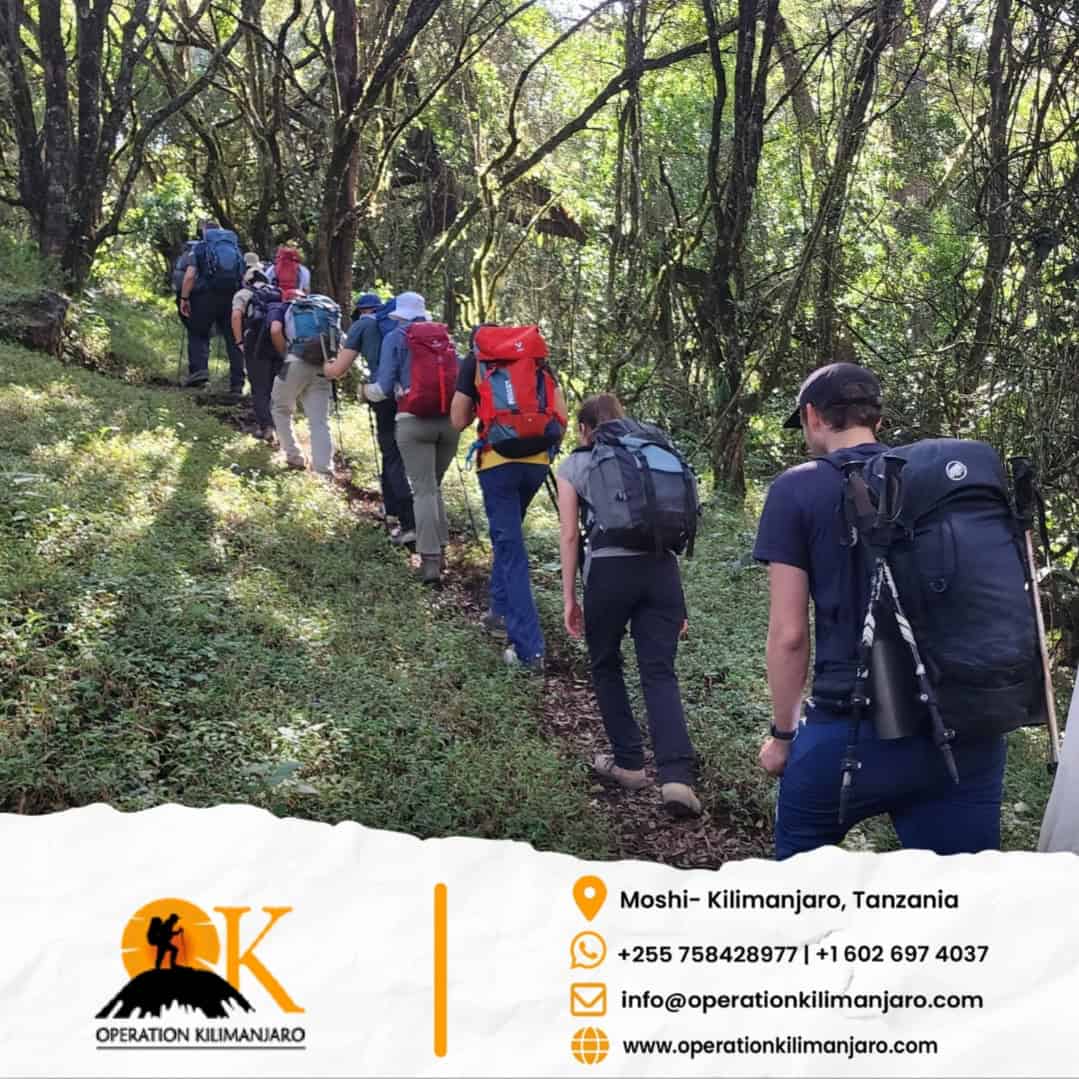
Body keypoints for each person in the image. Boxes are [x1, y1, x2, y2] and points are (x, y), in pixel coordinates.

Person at [753, 362, 1007, 859]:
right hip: (962, 734)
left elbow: (789, 635)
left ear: (812, 416)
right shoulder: (932, 482)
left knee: (799, 892)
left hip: (849, 731)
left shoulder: (796, 488)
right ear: (877, 420)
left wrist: (782, 737)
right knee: (962, 898)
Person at [556, 393, 701, 817]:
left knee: (605, 663)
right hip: (662, 572)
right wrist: (678, 603)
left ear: (584, 429)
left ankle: (630, 764)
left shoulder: (577, 464)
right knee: (659, 672)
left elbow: (569, 535)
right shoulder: (654, 453)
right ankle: (677, 779)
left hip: (609, 572)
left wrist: (569, 597)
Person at [450, 326, 566, 672]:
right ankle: (499, 611)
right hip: (536, 463)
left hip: (497, 464)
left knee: (511, 549)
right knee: (508, 539)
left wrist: (484, 411)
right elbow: (561, 415)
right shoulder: (535, 360)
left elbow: (457, 419)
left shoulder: (476, 361)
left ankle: (529, 650)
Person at [362, 291, 459, 585]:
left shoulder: (396, 337)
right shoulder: (443, 338)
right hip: (449, 423)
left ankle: (430, 562)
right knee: (434, 487)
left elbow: (382, 388)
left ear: (399, 315)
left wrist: (364, 391)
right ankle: (442, 551)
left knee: (424, 490)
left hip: (412, 422)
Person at [324, 293, 417, 545]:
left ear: (360, 312)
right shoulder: (405, 324)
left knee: (392, 454)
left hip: (383, 395)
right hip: (415, 395)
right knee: (405, 455)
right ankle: (397, 509)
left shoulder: (363, 325)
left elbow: (338, 370)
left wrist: (326, 367)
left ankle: (408, 521)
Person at [269, 290, 335, 475]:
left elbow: (275, 330)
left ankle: (294, 457)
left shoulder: (286, 308)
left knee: (280, 408)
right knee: (319, 421)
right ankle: (323, 469)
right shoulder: (324, 310)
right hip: (322, 365)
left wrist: (285, 353)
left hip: (295, 362)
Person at [178, 219, 247, 393]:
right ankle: (237, 383)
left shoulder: (200, 247)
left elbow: (190, 276)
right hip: (231, 297)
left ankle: (199, 375)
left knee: (198, 332)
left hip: (205, 297)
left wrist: (184, 298)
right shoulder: (235, 248)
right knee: (233, 338)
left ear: (204, 232)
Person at [231, 264, 277, 442]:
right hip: (277, 343)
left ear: (248, 280)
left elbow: (236, 316)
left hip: (255, 344)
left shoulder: (243, 294)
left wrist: (239, 341)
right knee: (274, 386)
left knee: (259, 387)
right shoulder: (277, 293)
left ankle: (267, 427)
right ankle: (280, 426)